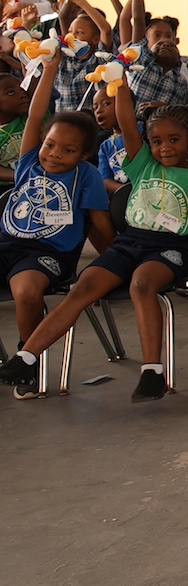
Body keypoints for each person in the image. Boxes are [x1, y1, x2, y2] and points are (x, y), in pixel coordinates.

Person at [0, 89, 188, 401]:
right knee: (82, 288)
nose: (164, 148)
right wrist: (118, 83)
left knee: (141, 285)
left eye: (174, 140)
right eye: (157, 141)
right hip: (129, 242)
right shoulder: (142, 164)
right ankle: (26, 357)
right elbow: (126, 124)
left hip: (169, 246)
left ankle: (153, 371)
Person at [0, 50, 113, 398]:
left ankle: (27, 357)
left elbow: (99, 224)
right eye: (50, 145)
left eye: (66, 150)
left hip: (48, 252)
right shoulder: (29, 162)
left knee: (26, 292)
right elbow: (36, 115)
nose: (53, 153)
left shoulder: (88, 176)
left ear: (82, 155)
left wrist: (116, 260)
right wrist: (49, 69)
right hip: (8, 243)